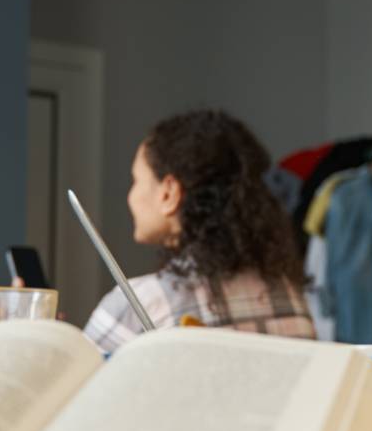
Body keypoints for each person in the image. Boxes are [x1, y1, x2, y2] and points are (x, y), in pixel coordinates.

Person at [77, 109, 315, 353]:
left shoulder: (144, 302)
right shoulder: (291, 296)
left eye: (136, 180)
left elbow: (68, 388)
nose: (131, 196)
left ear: (169, 192)